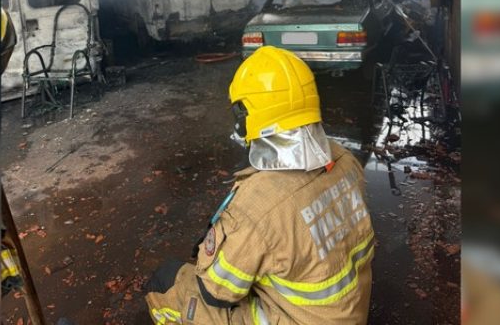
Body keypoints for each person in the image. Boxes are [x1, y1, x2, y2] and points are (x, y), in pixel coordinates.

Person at [145, 46, 374, 324]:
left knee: (167, 282)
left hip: (291, 318)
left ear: (245, 117)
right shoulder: (345, 160)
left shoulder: (257, 205)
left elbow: (216, 291)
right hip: (346, 313)